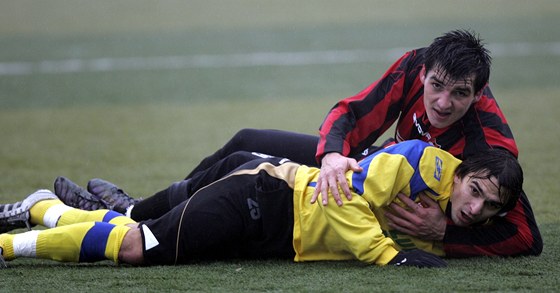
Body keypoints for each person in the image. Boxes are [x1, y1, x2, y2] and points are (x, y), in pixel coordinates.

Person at [104, 28, 540, 258]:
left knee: (243, 165)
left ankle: (130, 220)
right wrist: (333, 155)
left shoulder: (491, 147)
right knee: (245, 144)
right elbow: (353, 113)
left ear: (478, 94)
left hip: (373, 220)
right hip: (373, 170)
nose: (443, 103)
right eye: (437, 86)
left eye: (460, 93)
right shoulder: (416, 67)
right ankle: (132, 211)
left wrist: (445, 234)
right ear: (425, 73)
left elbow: (527, 236)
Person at [0, 140, 523, 269]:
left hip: (277, 231)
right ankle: (7, 246)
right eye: (474, 191)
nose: (476, 209)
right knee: (139, 246)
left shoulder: (449, 214)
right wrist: (386, 255)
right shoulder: (421, 165)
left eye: (489, 206)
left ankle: (45, 208)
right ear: (461, 173)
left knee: (143, 230)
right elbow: (342, 197)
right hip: (266, 197)